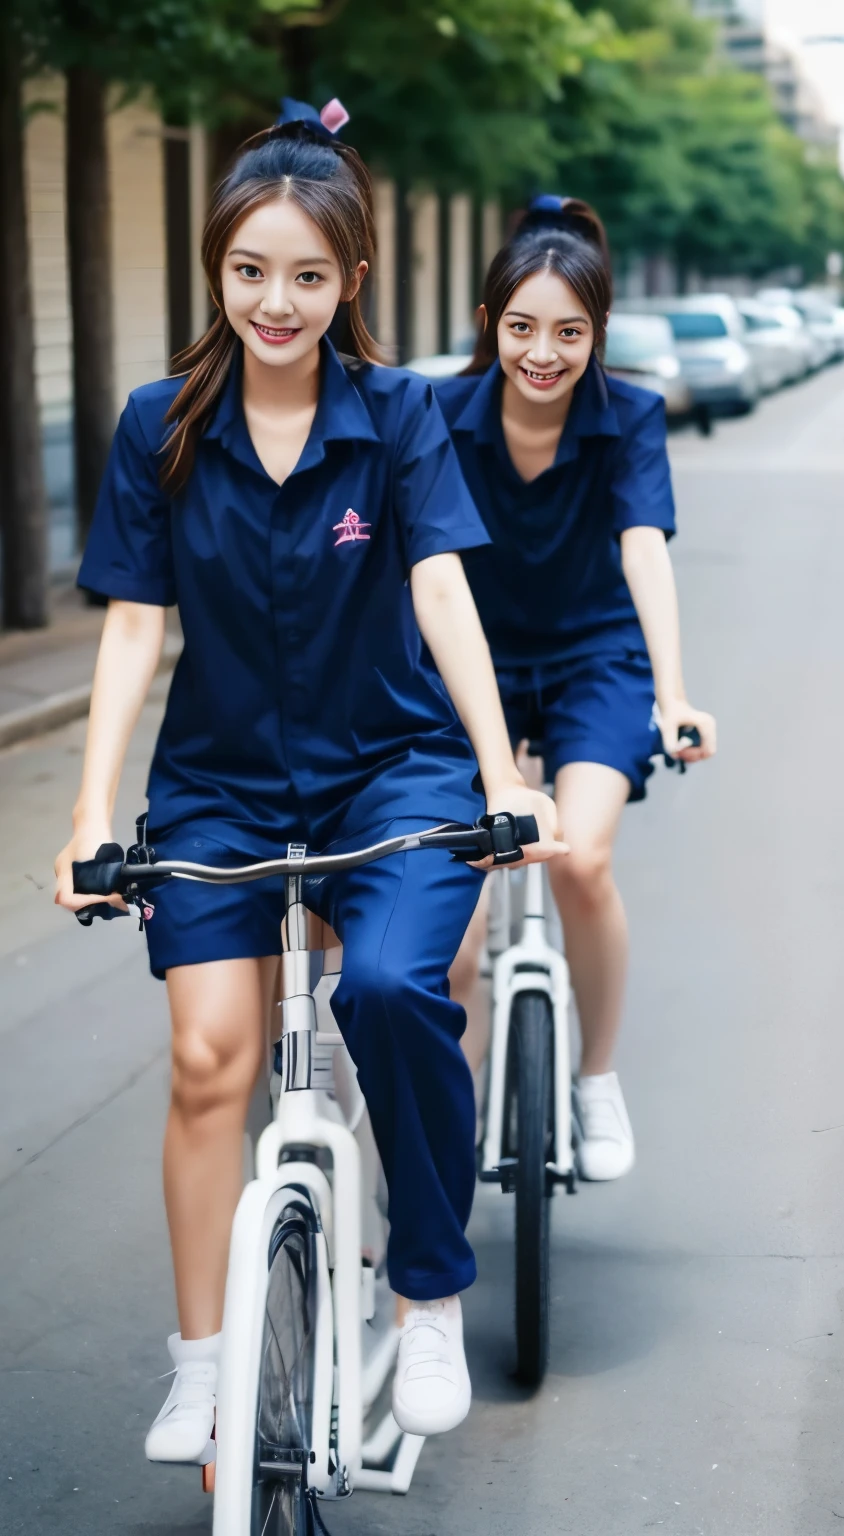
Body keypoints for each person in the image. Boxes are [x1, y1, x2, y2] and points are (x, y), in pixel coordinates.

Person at [53, 103, 561, 1461]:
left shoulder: (396, 418)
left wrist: (505, 770)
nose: (277, 302)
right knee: (210, 1056)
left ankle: (430, 1290)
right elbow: (134, 623)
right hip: (220, 785)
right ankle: (204, 1364)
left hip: (392, 775)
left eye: (309, 275)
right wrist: (93, 813)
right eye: (250, 270)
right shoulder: (160, 423)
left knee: (394, 992)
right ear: (217, 268)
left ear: (351, 281)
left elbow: (442, 585)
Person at [438, 196, 717, 1182]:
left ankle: (595, 1074)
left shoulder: (629, 416)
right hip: (474, 668)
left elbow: (644, 550)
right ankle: (443, 1122)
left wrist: (673, 693)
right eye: (522, 328)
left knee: (581, 860)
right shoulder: (440, 417)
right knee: (454, 914)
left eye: (568, 331)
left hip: (596, 659)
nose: (542, 353)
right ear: (490, 324)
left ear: (597, 334)